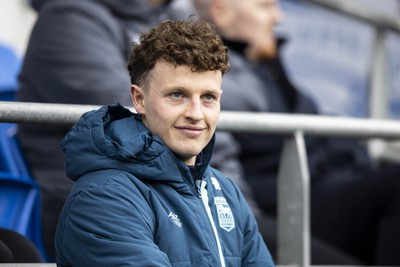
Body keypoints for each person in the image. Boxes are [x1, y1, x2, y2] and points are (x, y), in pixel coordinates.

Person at [193, 0, 400, 265]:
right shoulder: (212, 85)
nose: (278, 17)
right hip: (294, 203)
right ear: (221, 12)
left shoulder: (267, 68)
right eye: (264, 6)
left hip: (332, 191)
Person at [54, 18, 274, 266]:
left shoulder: (224, 189)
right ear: (139, 99)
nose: (196, 113)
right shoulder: (103, 196)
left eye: (208, 97)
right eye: (177, 95)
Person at [17, 0, 190, 260]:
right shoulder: (67, 17)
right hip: (95, 196)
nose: (197, 109)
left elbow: (211, 94)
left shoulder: (172, 16)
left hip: (169, 190)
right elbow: (127, 112)